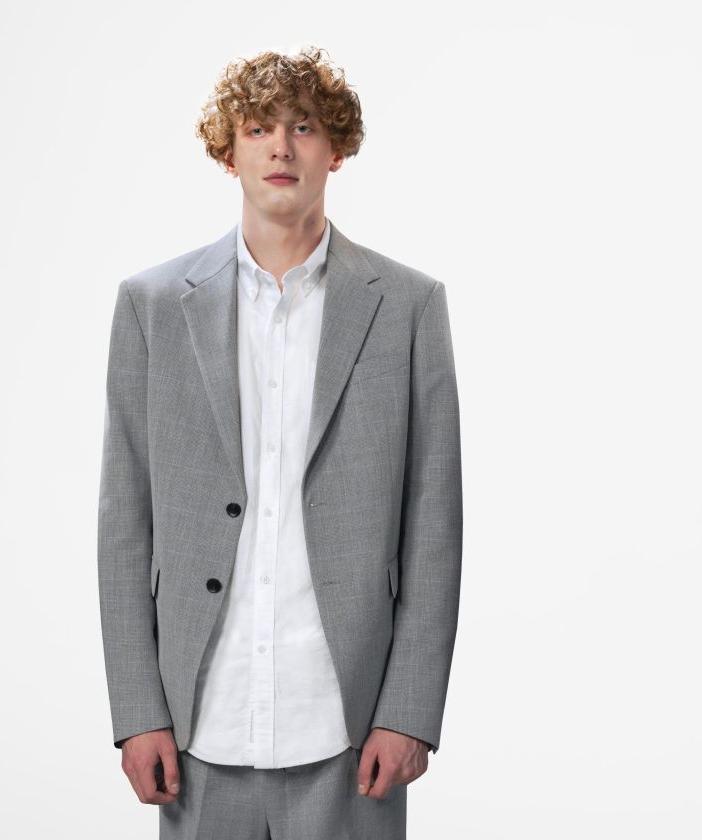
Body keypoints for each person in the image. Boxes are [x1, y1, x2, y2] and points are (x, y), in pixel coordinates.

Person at [97, 45, 463, 839]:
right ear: (229, 152)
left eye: (304, 127)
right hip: (197, 724)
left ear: (337, 149)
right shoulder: (151, 307)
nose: (282, 148)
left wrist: (408, 711)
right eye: (259, 128)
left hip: (349, 726)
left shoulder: (407, 307)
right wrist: (137, 710)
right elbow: (125, 523)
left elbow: (434, 525)